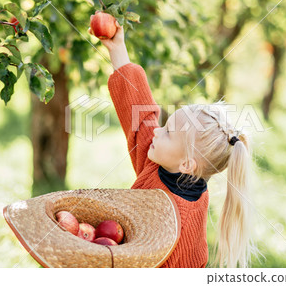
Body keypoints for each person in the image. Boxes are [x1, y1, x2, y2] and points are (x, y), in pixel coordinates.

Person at [89, 22, 255, 268]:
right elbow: (141, 116)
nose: (157, 130)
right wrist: (117, 49)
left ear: (187, 163)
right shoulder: (163, 162)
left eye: (167, 132)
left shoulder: (179, 220)